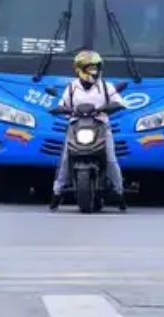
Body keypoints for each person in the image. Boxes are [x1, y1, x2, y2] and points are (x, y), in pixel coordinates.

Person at [49, 50, 127, 211]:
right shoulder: (71, 88)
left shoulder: (106, 86)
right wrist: (61, 110)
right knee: (64, 160)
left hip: (101, 126)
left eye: (96, 68)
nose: (94, 72)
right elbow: (62, 104)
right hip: (76, 126)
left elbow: (119, 102)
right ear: (80, 69)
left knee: (111, 159)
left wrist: (105, 108)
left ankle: (119, 193)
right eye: (90, 68)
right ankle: (56, 194)